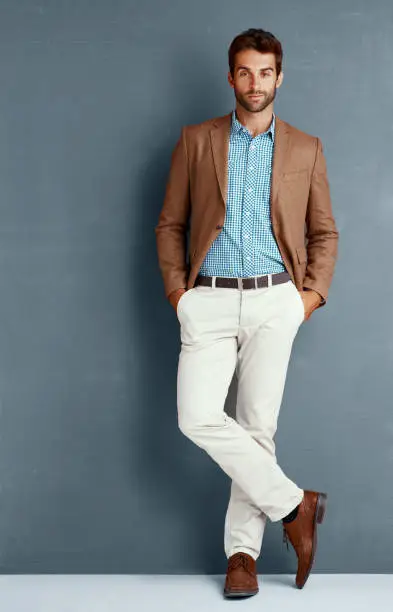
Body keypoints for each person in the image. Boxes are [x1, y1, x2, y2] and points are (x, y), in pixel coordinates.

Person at [154, 27, 339, 597]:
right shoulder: (197, 140)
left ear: (279, 77)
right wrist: (179, 295)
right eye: (244, 72)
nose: (255, 83)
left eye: (265, 72)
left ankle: (242, 557)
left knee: (258, 428)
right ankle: (294, 504)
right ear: (230, 77)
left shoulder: (306, 148)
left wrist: (306, 299)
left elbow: (324, 232)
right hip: (206, 298)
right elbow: (172, 225)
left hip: (275, 298)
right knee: (197, 417)